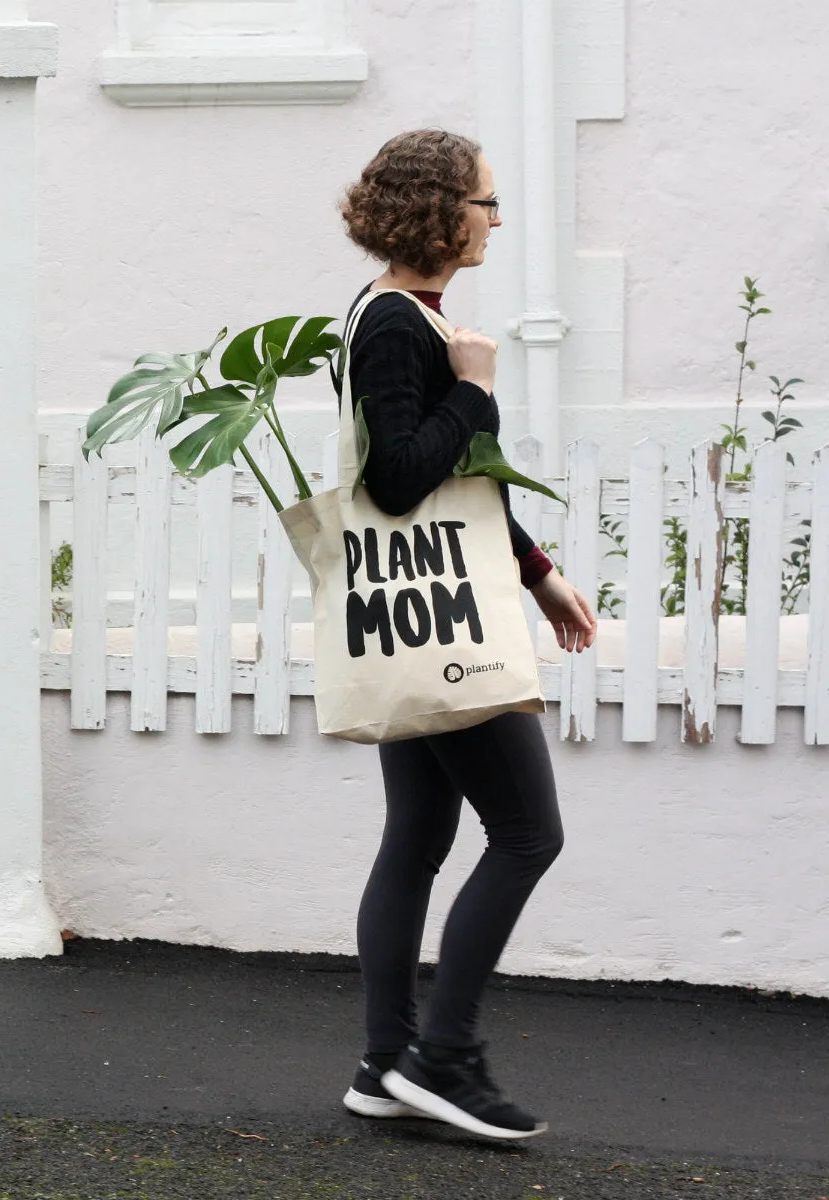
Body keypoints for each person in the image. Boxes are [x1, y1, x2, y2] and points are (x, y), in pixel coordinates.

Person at [336, 129, 596, 1140]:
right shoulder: (401, 326)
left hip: (414, 612)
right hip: (438, 620)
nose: (496, 219)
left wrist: (538, 575)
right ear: (440, 211)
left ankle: (383, 1062)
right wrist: (478, 384)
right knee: (529, 833)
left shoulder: (390, 315)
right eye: (486, 202)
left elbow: (456, 485)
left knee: (417, 838)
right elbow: (401, 482)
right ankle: (443, 1056)